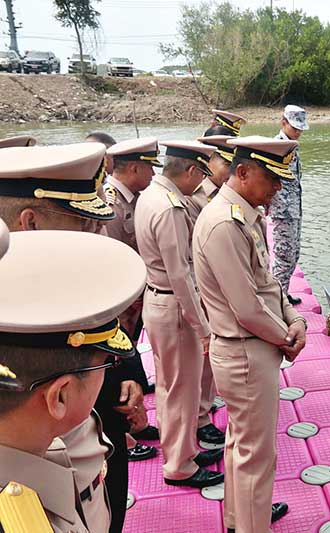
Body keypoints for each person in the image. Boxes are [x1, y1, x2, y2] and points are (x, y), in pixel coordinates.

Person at [0, 141, 148, 532]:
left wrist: (128, 372)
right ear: (30, 222)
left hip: (88, 432)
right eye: (84, 223)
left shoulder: (68, 272)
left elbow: (102, 325)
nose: (97, 234)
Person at [193, 136, 307, 532]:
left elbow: (267, 285)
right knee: (256, 454)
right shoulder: (225, 224)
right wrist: (286, 337)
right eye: (270, 179)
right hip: (243, 350)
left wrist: (294, 318)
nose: (277, 188)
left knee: (241, 445)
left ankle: (239, 519)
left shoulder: (244, 215)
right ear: (242, 172)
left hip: (251, 346)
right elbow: (247, 307)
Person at [134, 140, 224, 488]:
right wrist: (202, 326)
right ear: (190, 171)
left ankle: (185, 450)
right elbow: (180, 275)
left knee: (172, 386)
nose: (201, 182)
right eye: (201, 174)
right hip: (174, 307)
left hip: (160, 301)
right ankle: (179, 466)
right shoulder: (170, 208)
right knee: (181, 390)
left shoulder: (150, 196)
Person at [104, 138, 162, 464]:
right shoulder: (112, 205)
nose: (153, 174)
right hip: (121, 305)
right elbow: (113, 263)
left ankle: (134, 427)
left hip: (135, 300)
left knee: (129, 363)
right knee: (117, 367)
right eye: (150, 167)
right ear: (135, 168)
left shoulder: (135, 199)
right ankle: (124, 434)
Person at [187, 134, 236, 448]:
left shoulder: (220, 194)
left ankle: (204, 406)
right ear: (210, 162)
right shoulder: (196, 198)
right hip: (202, 286)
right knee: (201, 358)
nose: (229, 170)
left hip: (214, 286)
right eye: (225, 163)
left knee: (207, 358)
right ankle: (200, 418)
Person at [270, 105, 308, 304]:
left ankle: (282, 294)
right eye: (295, 128)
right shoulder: (276, 147)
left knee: (294, 254)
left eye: (300, 129)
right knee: (283, 257)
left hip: (294, 209)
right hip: (282, 210)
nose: (298, 132)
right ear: (283, 123)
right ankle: (277, 300)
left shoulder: (291, 146)